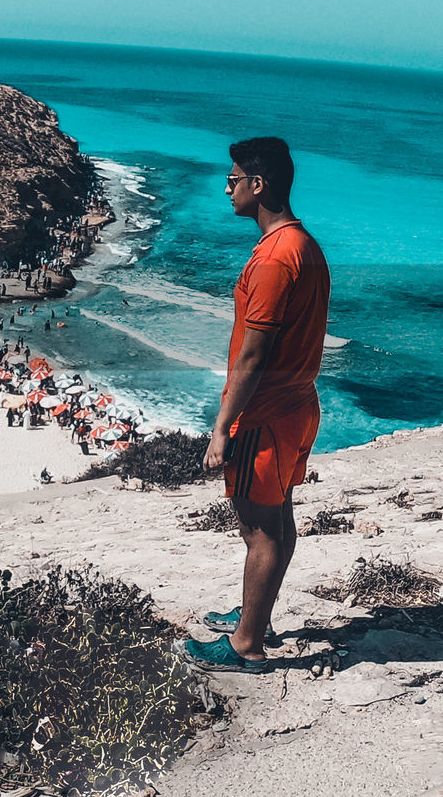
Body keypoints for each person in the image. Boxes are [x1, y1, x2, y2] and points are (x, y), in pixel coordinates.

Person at [177, 137, 331, 675]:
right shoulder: (306, 246)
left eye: (233, 178)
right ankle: (257, 616)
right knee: (278, 518)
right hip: (299, 405)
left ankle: (245, 645)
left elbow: (252, 356)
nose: (226, 187)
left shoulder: (272, 259)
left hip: (265, 415)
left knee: (259, 529)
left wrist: (221, 428)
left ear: (257, 185)